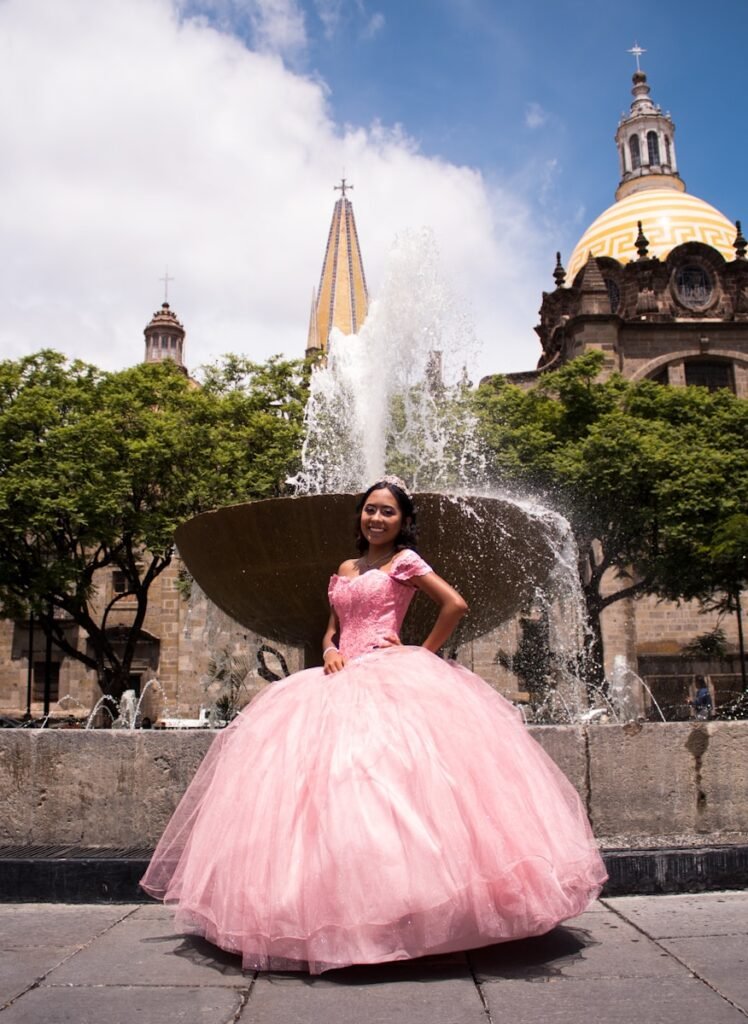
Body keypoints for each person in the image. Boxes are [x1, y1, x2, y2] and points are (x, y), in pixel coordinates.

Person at [141, 478, 607, 973]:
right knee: (330, 789)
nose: (377, 519)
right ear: (360, 516)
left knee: (390, 786)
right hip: (338, 676)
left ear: (403, 520)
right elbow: (333, 625)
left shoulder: (404, 563)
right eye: (370, 510)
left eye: (387, 512)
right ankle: (338, 909)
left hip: (390, 676)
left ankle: (416, 912)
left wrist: (416, 653)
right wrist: (328, 649)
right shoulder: (346, 568)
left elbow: (455, 605)